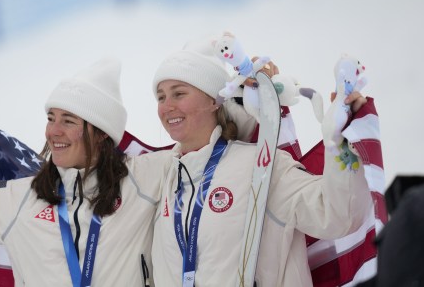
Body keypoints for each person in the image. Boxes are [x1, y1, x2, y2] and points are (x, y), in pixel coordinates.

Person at [0, 58, 172, 286]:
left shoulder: (144, 181)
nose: (54, 131)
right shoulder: (22, 198)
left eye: (68, 120)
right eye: (51, 119)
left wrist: (212, 68)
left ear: (100, 134)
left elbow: (204, 154)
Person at [149, 36, 374, 286]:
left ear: (214, 100)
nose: (166, 107)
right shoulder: (162, 177)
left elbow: (338, 214)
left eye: (178, 94)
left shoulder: (262, 166)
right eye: (161, 97)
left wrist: (339, 143)